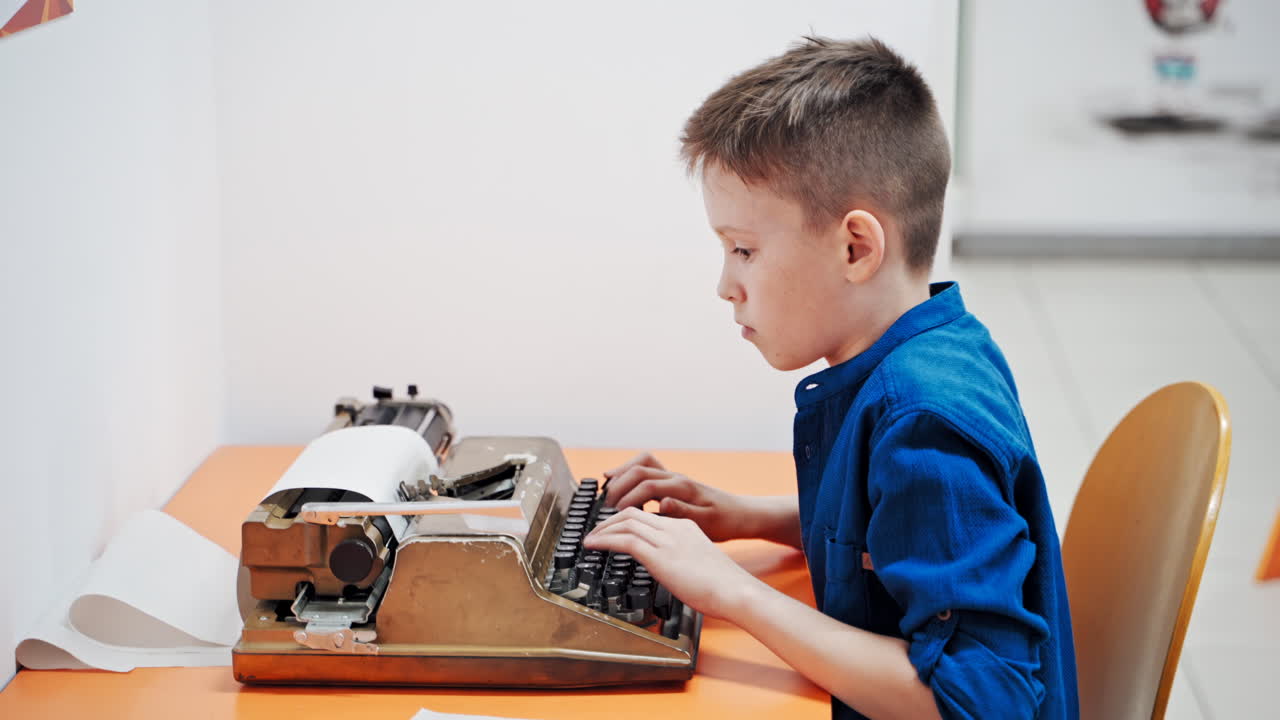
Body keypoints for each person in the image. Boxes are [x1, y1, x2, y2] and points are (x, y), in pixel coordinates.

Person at [583, 36, 1079, 720]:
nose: (727, 285)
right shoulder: (937, 346)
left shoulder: (923, 422)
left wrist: (731, 590)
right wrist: (745, 517)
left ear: (855, 248)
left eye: (744, 250)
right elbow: (897, 529)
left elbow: (988, 700)